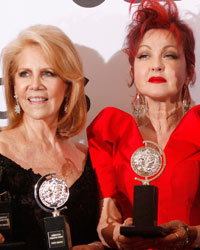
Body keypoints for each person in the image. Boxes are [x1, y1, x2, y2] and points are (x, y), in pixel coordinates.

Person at [87, 0, 200, 249]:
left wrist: (190, 235)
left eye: (169, 55)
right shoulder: (110, 130)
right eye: (145, 55)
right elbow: (106, 220)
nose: (156, 65)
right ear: (132, 71)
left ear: (189, 71)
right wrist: (118, 235)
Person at [0, 24, 103, 250]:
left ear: (68, 86)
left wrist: (96, 247)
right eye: (24, 73)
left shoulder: (89, 158)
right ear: (14, 86)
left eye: (48, 73)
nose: (35, 85)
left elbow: (103, 233)